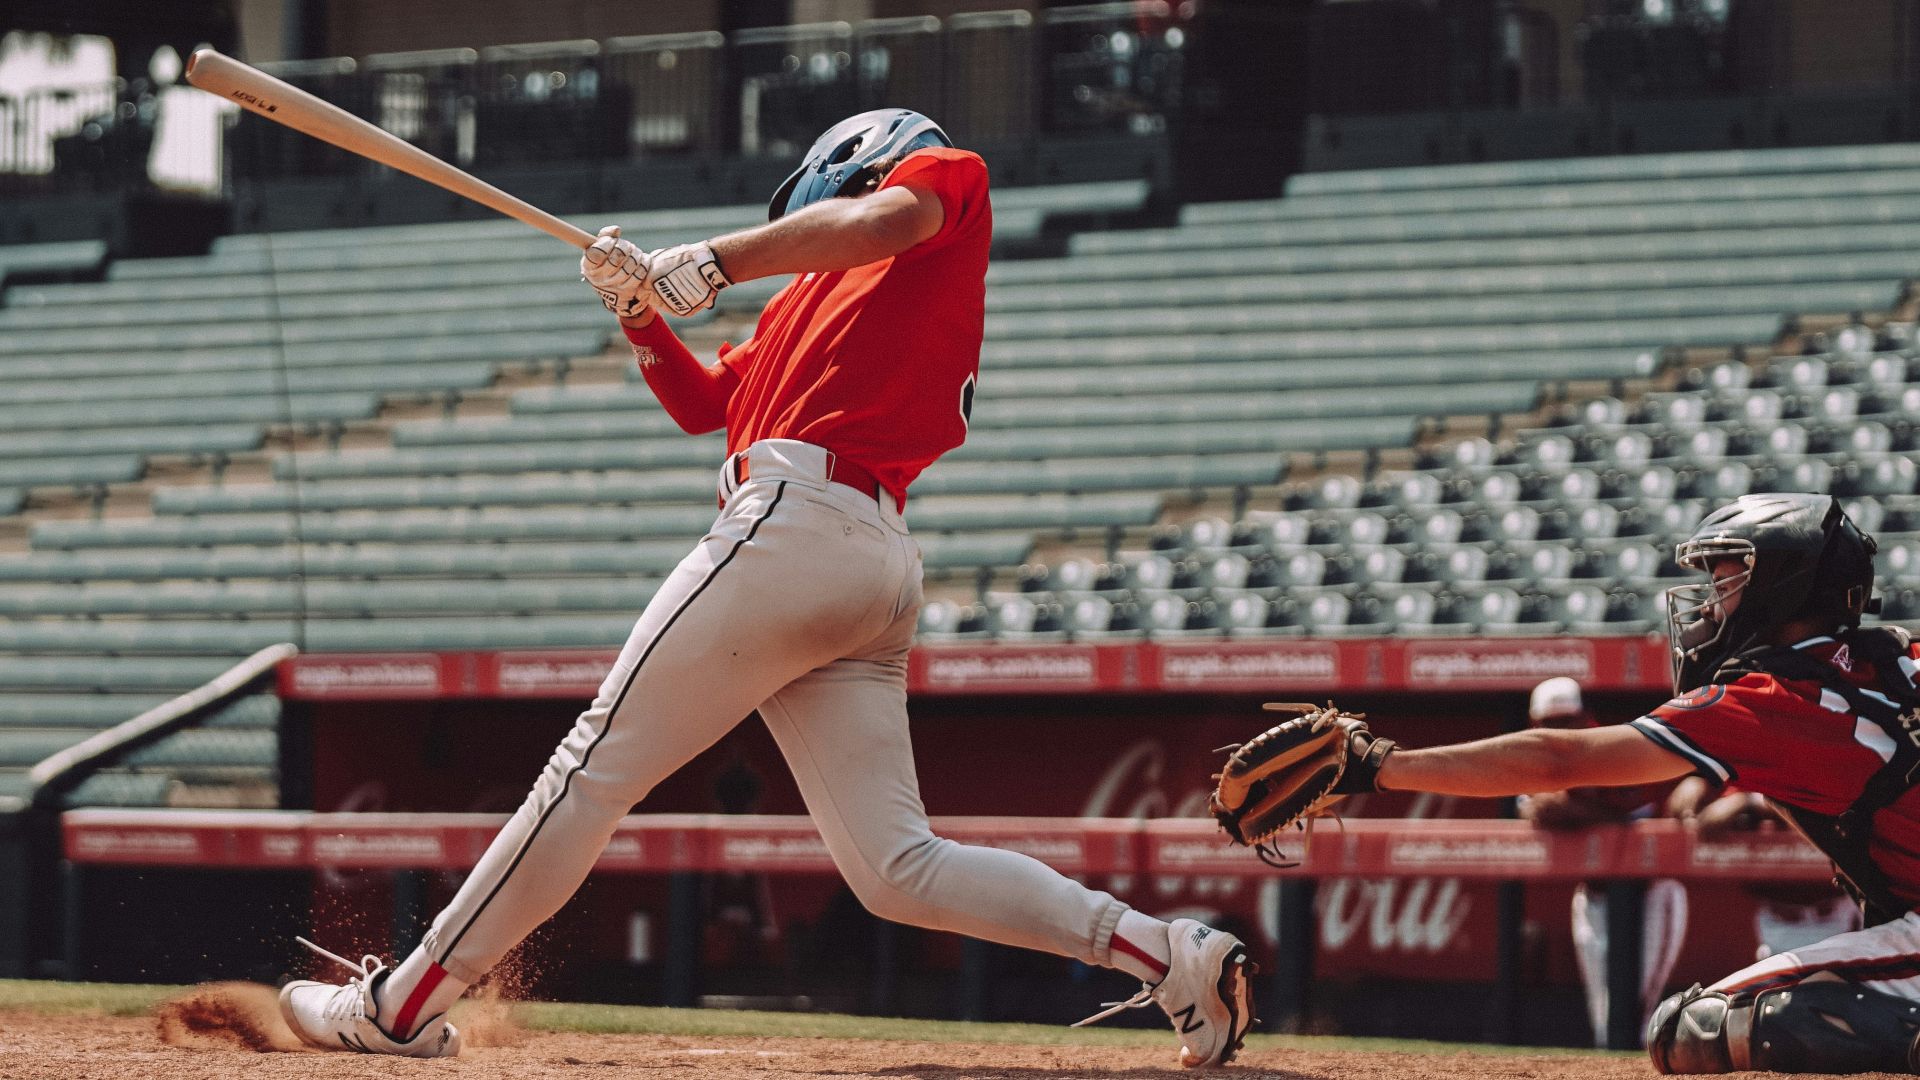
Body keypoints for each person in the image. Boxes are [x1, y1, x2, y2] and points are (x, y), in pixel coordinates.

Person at [274, 108, 1255, 1068]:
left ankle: (399, 1006)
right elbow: (706, 403)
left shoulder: (939, 180)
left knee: (588, 769)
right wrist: (636, 310)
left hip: (798, 530)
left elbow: (879, 222)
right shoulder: (805, 302)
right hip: (858, 560)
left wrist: (714, 258)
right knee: (897, 868)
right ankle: (1168, 955)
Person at [1302, 493, 1920, 1073]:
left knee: (1690, 1028)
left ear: (1783, 588)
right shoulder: (1890, 654)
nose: (1710, 602)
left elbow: (1556, 762)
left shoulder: (1776, 696)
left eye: (1727, 580)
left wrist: (1384, 764)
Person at [1516, 677, 1688, 1048]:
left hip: (1650, 897)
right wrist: (1579, 810)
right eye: (1550, 723)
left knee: (1636, 1019)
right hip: (1593, 899)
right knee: (1605, 1021)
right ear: (1536, 725)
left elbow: (1634, 819)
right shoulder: (1532, 755)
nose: (1558, 731)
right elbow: (1535, 808)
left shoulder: (1613, 746)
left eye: (1566, 721)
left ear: (1584, 719)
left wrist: (1575, 810)